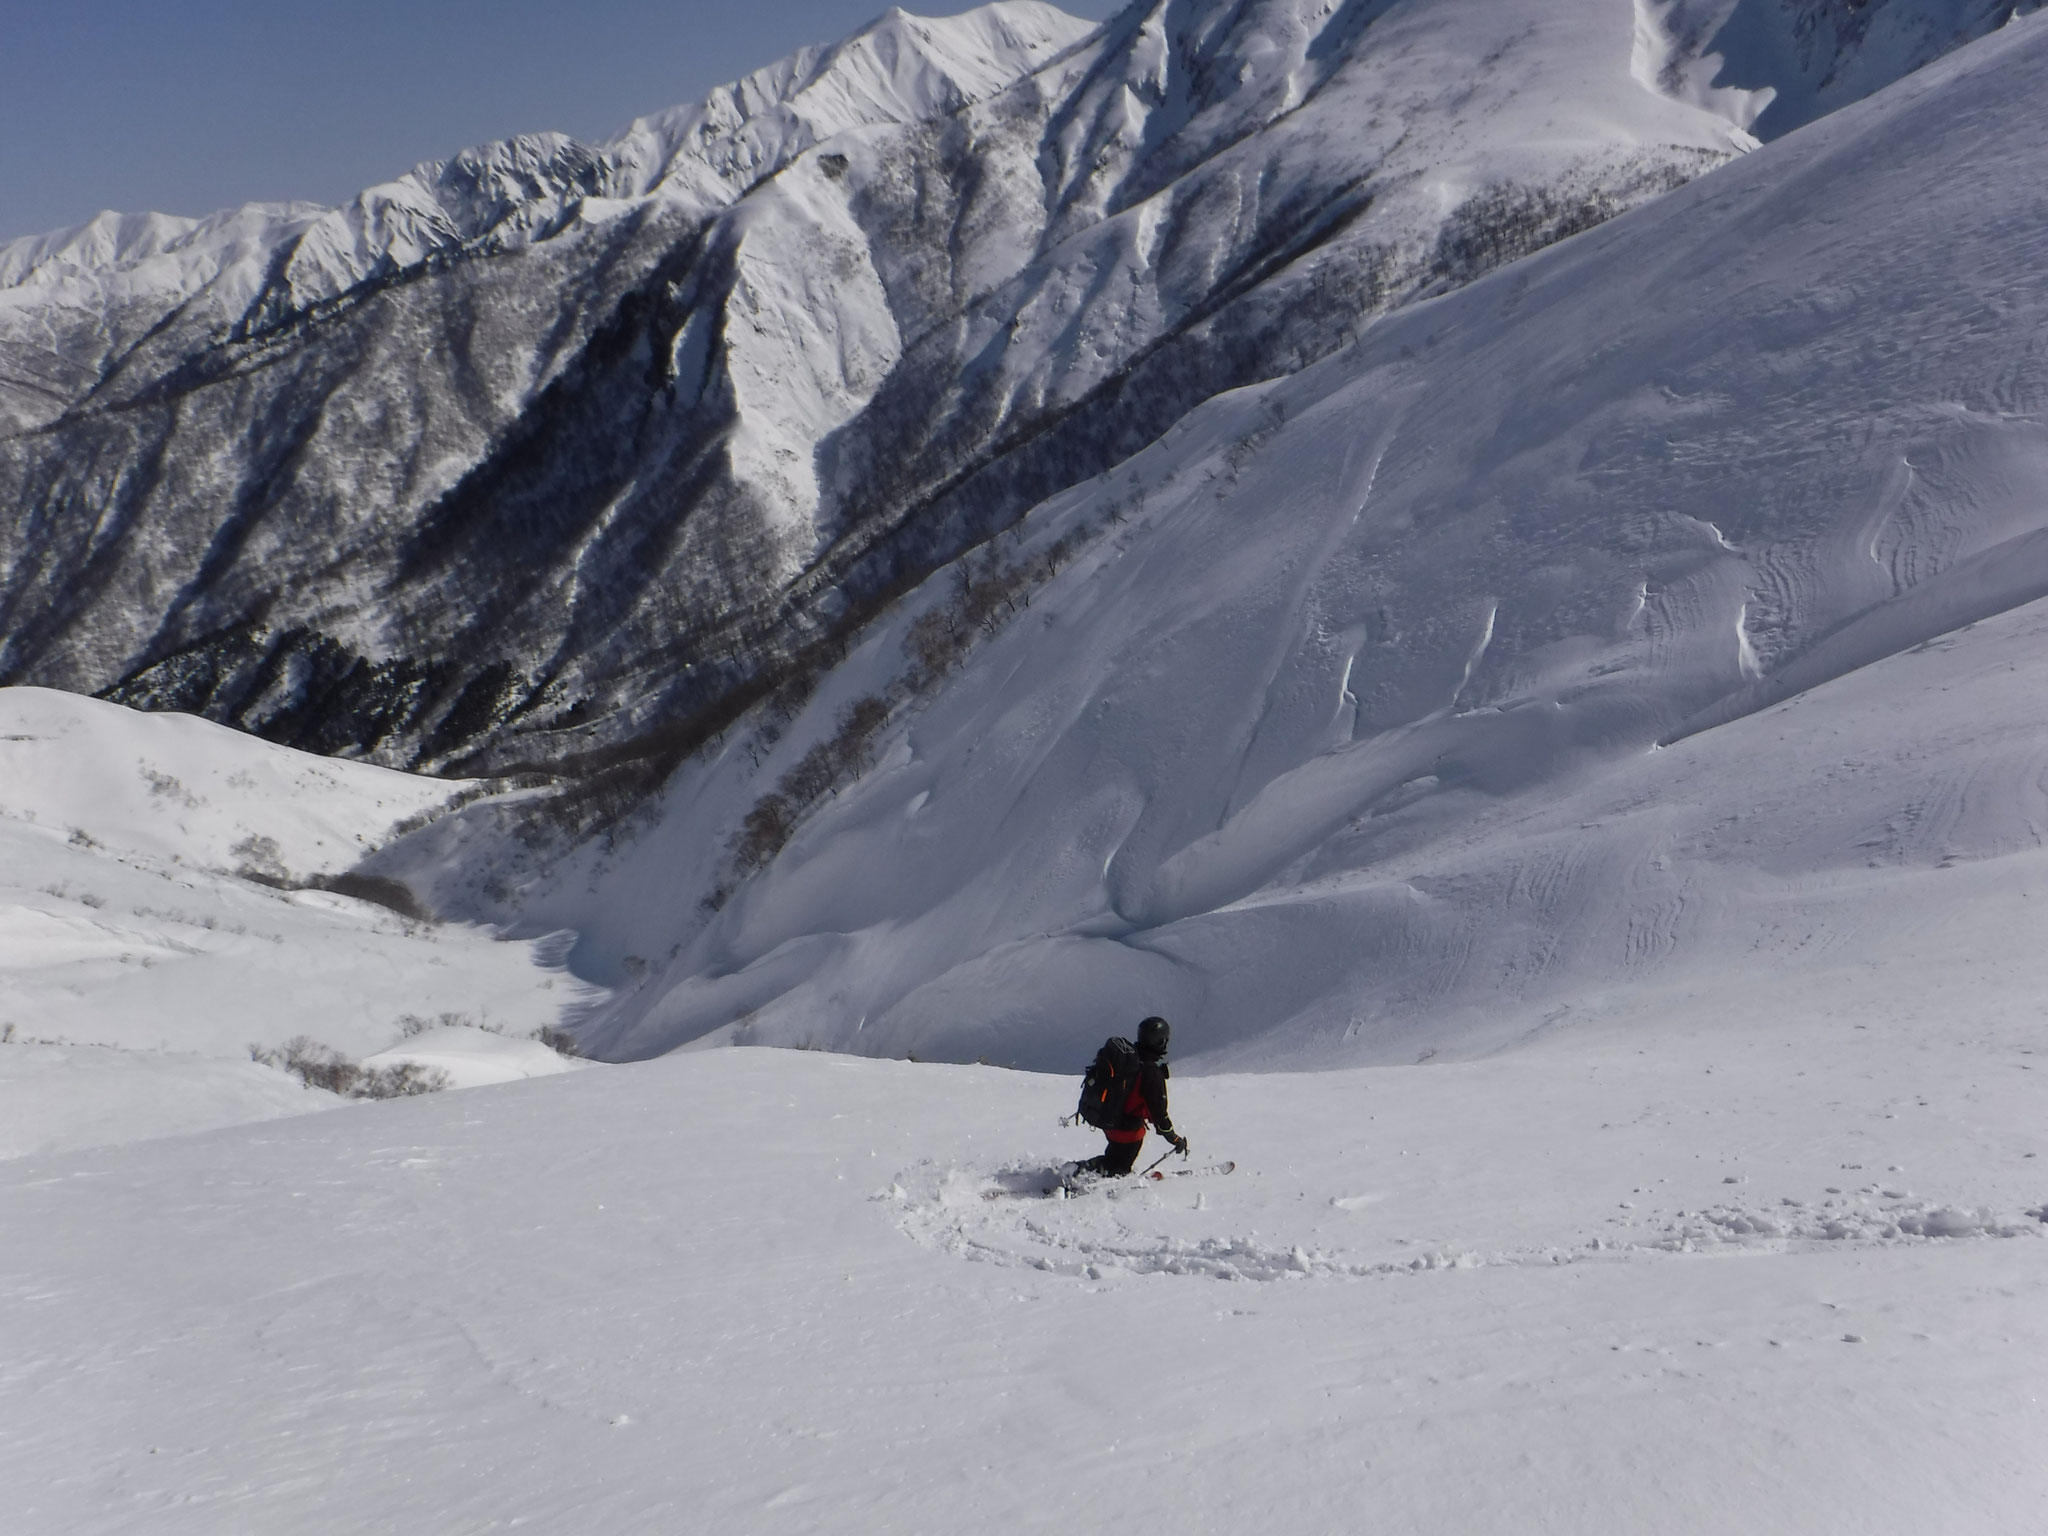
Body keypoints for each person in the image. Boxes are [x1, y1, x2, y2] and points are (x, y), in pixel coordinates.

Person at [1072, 1015, 1188, 1177]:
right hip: (1127, 1130)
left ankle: (1083, 1172)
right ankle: (1081, 1173)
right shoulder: (1151, 1073)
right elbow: (1159, 1114)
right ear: (1161, 1042)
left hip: (1109, 1119)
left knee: (1114, 1156)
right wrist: (1174, 1138)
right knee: (1119, 1165)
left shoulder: (1130, 1059)